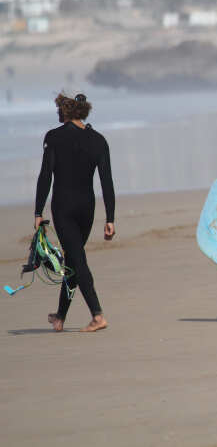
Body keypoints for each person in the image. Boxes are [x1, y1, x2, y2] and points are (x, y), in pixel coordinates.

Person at [35, 93, 115, 332]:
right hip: (87, 208)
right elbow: (107, 182)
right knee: (73, 259)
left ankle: (97, 315)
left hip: (64, 208)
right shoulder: (98, 140)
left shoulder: (54, 137)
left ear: (65, 112)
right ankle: (60, 317)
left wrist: (38, 211)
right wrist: (110, 218)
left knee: (78, 260)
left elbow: (46, 175)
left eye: (58, 110)